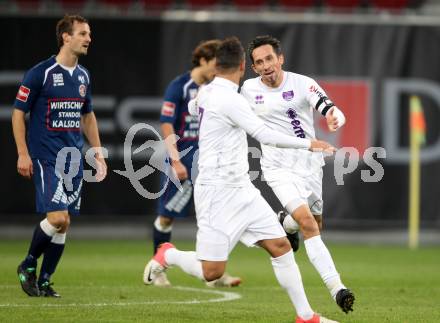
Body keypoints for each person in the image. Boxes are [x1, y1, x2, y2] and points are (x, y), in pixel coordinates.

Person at [144, 37, 339, 323]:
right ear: (243, 66)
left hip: (243, 189)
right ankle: (168, 254)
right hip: (216, 192)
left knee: (281, 246)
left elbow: (197, 104)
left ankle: (306, 316)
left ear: (216, 66)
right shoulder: (230, 99)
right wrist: (311, 144)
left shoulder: (207, 91)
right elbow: (264, 135)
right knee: (213, 271)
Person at [240, 35, 354, 314]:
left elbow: (329, 107)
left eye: (269, 59)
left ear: (280, 59)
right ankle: (337, 288)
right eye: (259, 62)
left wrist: (334, 117)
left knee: (313, 222)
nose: (266, 66)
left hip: (310, 166)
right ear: (253, 68)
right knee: (309, 225)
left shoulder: (302, 83)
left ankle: (286, 223)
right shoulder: (246, 90)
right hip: (277, 169)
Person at [12, 15, 107, 297]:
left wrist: (98, 153)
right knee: (56, 218)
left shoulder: (83, 76)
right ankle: (28, 264)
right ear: (66, 37)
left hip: (73, 159)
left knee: (65, 222)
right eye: (82, 33)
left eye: (89, 34)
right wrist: (22, 153)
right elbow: (18, 114)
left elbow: (87, 116)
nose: (88, 38)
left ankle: (45, 280)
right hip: (46, 156)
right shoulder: (41, 72)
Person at [143, 39, 241, 288]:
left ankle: (214, 274)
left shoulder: (213, 90)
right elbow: (166, 125)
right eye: (215, 63)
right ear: (203, 60)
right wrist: (175, 160)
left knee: (216, 217)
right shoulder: (179, 87)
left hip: (208, 164)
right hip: (183, 161)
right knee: (166, 218)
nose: (217, 69)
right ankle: (159, 267)